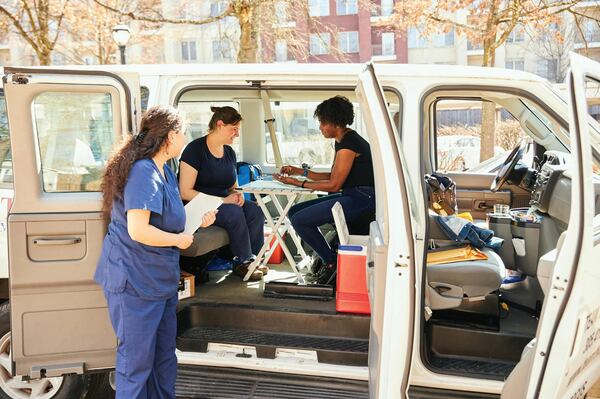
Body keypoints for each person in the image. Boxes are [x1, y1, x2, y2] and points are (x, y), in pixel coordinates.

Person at [94, 106, 216, 399]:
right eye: (184, 133)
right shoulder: (143, 172)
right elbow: (139, 230)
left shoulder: (165, 170)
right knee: (136, 364)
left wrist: (197, 222)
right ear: (171, 136)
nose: (186, 138)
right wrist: (179, 242)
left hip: (158, 282)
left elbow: (170, 221)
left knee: (163, 360)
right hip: (134, 282)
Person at [274, 96, 375, 285]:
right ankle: (328, 257)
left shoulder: (348, 145)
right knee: (294, 211)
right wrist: (300, 172)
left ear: (334, 122)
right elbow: (333, 176)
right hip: (353, 194)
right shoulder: (343, 140)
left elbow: (333, 185)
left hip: (362, 199)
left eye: (322, 122)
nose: (320, 127)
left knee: (299, 220)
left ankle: (331, 263)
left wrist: (298, 184)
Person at [179, 106, 266, 281]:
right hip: (198, 205)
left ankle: (255, 259)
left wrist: (237, 194)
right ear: (219, 125)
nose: (237, 134)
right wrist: (223, 200)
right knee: (234, 212)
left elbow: (233, 186)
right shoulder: (195, 150)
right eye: (233, 129)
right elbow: (185, 192)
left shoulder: (229, 153)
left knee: (255, 211)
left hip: (223, 202)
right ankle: (242, 261)